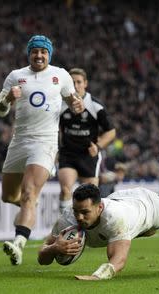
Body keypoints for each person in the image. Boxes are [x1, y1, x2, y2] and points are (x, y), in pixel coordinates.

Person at [0, 35, 84, 266]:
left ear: (49, 55)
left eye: (44, 52)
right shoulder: (16, 76)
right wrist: (7, 100)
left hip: (44, 143)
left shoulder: (60, 75)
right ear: (29, 54)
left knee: (28, 193)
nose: (39, 55)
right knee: (9, 196)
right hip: (19, 142)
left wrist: (76, 105)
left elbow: (74, 102)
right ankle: (31, 205)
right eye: (35, 51)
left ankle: (18, 244)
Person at [37, 161, 159, 280]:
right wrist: (54, 248)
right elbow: (41, 257)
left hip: (145, 206)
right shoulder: (67, 219)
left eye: (85, 212)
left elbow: (118, 261)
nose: (79, 217)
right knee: (149, 232)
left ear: (99, 208)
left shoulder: (114, 218)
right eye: (76, 211)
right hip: (122, 200)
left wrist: (96, 276)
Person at [58, 68, 116, 212]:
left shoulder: (95, 106)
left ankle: (91, 229)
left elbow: (111, 131)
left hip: (88, 156)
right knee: (66, 189)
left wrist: (98, 146)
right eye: (72, 82)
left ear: (85, 84)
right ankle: (65, 225)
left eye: (79, 82)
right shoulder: (60, 104)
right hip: (68, 154)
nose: (76, 85)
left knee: (91, 197)